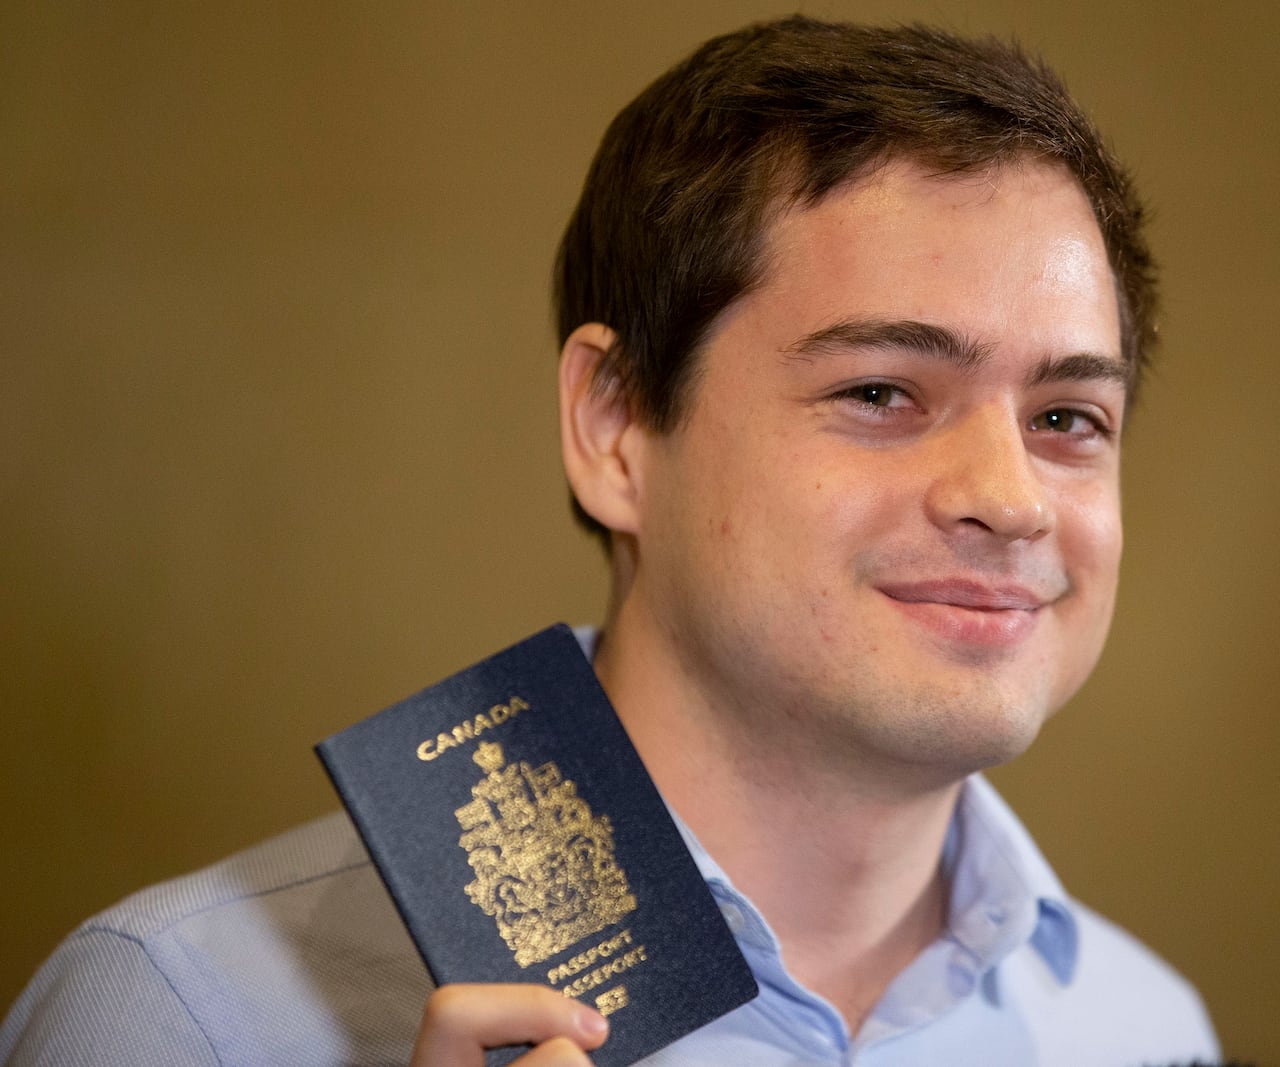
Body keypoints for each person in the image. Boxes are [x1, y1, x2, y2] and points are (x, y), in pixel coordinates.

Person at [1, 16, 1220, 1067]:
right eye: (880, 392)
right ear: (617, 424)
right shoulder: (179, 1010)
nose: (1008, 498)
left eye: (1066, 417)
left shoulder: (1144, 1021)